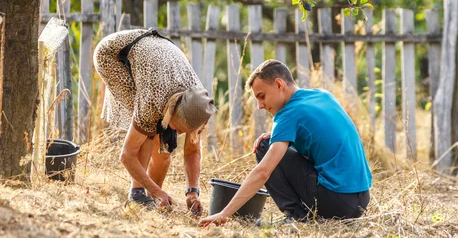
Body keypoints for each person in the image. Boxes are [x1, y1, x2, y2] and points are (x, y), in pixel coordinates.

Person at [200, 59, 371, 226]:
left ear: (279, 85)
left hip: (337, 203)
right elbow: (321, 138)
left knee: (263, 147)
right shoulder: (323, 96)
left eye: (262, 96)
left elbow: (263, 172)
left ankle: (296, 216)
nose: (260, 105)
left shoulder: (288, 114)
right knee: (270, 142)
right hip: (361, 200)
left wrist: (225, 213)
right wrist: (279, 135)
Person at [94, 28, 217, 212]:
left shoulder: (197, 105)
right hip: (115, 56)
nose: (180, 134)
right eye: (179, 129)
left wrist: (193, 191)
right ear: (172, 111)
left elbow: (192, 149)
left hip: (155, 61)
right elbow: (126, 155)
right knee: (150, 132)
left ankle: (151, 197)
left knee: (163, 146)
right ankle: (138, 194)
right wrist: (160, 192)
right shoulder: (153, 100)